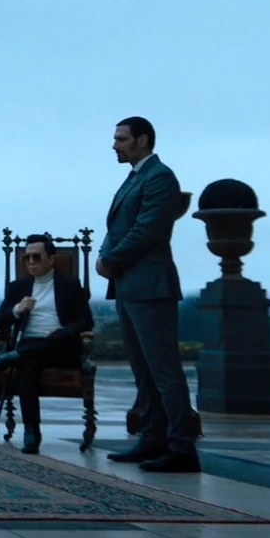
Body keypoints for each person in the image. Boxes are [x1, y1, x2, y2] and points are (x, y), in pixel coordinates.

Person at [98, 116, 199, 473]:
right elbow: (117, 227)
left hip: (150, 287)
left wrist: (110, 261)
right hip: (129, 286)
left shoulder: (160, 177)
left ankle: (182, 447)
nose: (115, 145)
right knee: (144, 371)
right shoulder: (135, 177)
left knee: (164, 370)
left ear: (143, 140)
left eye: (121, 139)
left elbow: (147, 230)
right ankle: (153, 438)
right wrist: (105, 257)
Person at [0, 233, 94, 454]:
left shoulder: (70, 285)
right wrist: (17, 309)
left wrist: (65, 331)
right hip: (30, 345)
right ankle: (32, 431)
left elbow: (86, 321)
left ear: (51, 259)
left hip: (61, 345)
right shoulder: (18, 287)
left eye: (37, 257)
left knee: (37, 350)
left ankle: (12, 358)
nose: (31, 262)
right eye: (27, 258)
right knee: (28, 365)